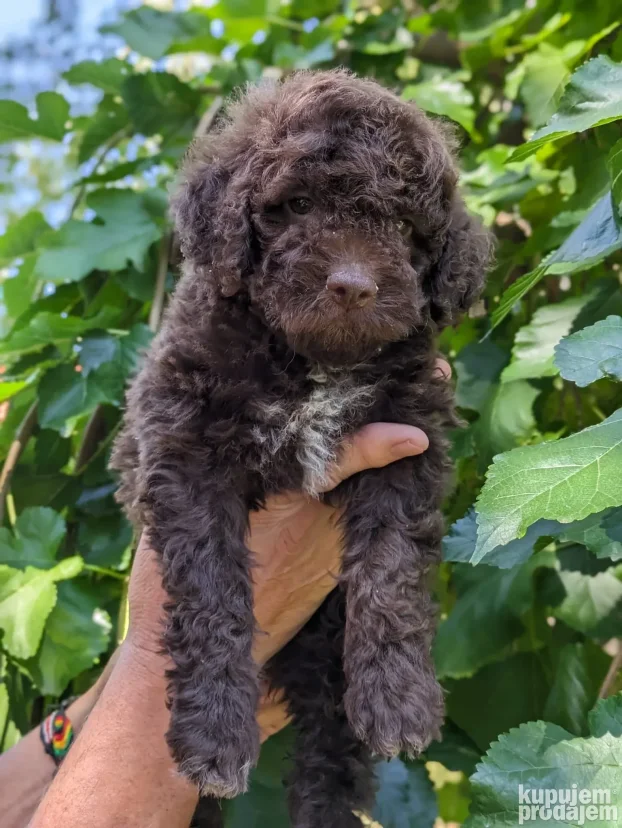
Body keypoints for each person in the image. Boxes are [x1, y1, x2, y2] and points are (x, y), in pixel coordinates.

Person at [0, 360, 448, 828]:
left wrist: (96, 709)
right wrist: (160, 676)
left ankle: (328, 794)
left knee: (326, 752)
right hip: (206, 627)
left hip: (312, 640)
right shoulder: (212, 364)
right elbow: (180, 465)